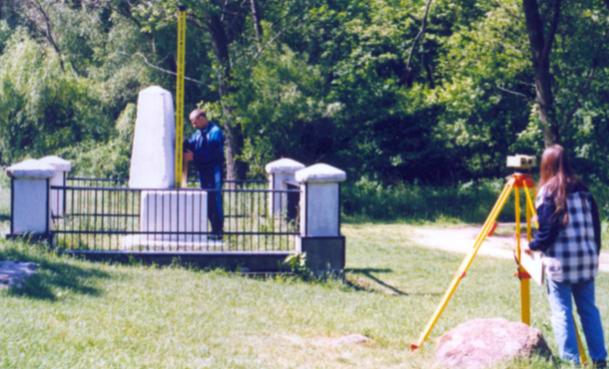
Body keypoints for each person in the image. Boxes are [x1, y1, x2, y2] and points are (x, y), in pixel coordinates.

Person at [526, 144, 606, 368]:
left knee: (562, 312)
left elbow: (547, 232)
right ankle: (600, 359)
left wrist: (532, 246)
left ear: (546, 165)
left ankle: (571, 362)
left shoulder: (547, 192)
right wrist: (594, 252)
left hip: (561, 264)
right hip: (586, 261)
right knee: (589, 311)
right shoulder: (584, 189)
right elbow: (596, 227)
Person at [183, 108, 224, 239]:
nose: (193, 125)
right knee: (207, 200)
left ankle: (218, 230)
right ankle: (213, 230)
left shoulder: (215, 132)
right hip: (203, 172)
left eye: (194, 122)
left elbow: (214, 154)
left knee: (214, 199)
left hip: (213, 171)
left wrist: (194, 157)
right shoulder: (198, 133)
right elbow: (192, 145)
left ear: (201, 118)